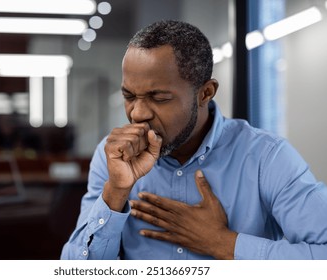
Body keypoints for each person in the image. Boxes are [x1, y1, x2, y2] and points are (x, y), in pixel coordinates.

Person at [61, 20, 327, 260]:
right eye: (129, 96)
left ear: (205, 93)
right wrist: (115, 193)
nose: (138, 113)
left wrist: (225, 244)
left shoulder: (266, 158)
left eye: (159, 98)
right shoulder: (113, 155)